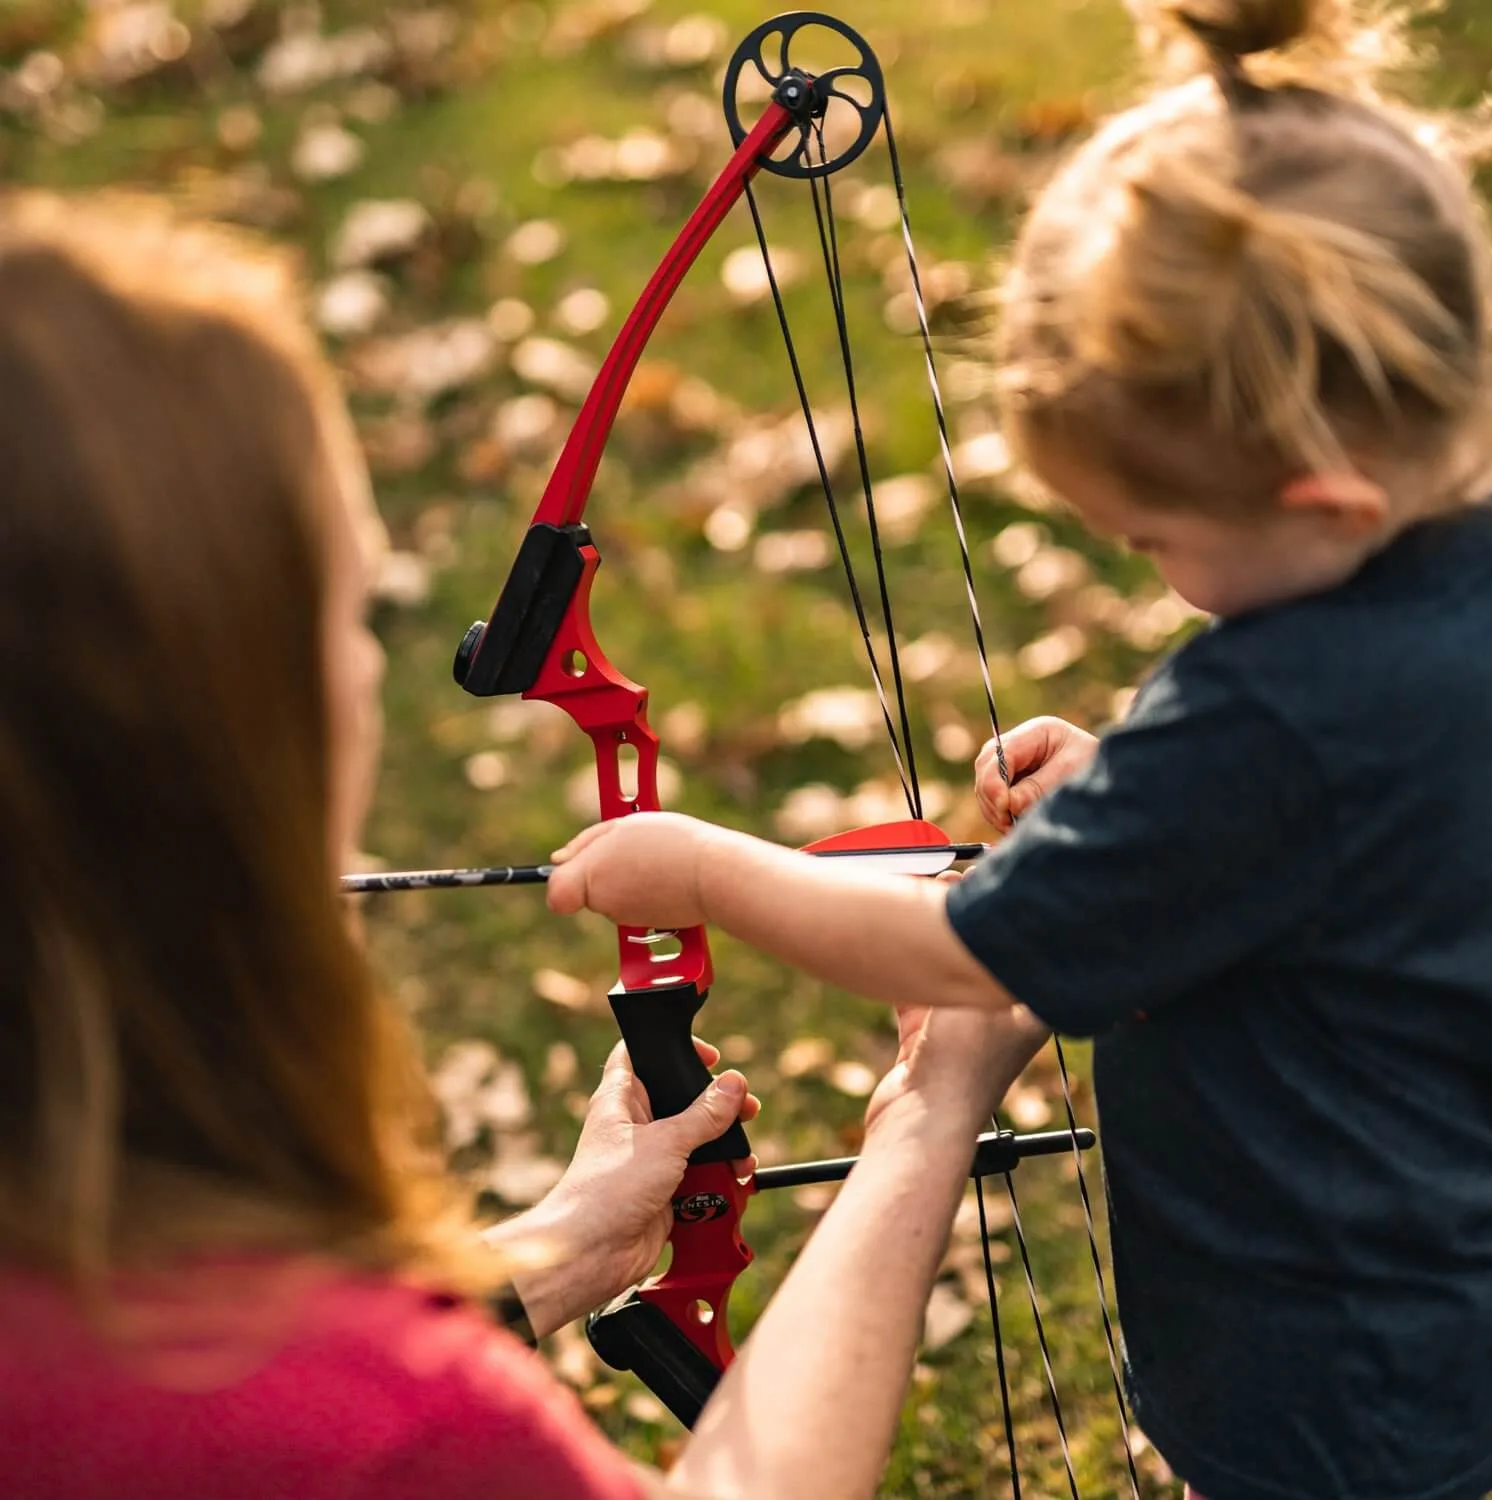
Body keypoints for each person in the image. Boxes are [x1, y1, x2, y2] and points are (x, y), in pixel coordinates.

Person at [547, 1, 1492, 1497]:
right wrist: (1139, 800)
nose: (1155, 566)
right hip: (1432, 1274)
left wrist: (707, 868)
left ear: (1322, 501)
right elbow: (1337, 814)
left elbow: (966, 960)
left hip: (1317, 1377)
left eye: (1156, 535)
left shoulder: (1267, 717)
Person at [0, 192, 1046, 1500]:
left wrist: (564, 1245)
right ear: (238, 728)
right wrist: (928, 1113)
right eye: (353, 615)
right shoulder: (394, 1434)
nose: (369, 676)